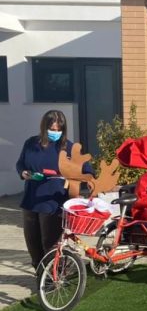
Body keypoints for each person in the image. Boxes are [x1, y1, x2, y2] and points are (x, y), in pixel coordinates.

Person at [15, 110, 93, 270]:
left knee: (49, 242)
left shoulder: (69, 148)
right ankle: (40, 272)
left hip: (53, 202)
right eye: (52, 129)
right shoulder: (31, 143)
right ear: (44, 128)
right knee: (32, 242)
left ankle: (55, 276)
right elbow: (20, 163)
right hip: (31, 199)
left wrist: (82, 180)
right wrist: (23, 173)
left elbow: (87, 170)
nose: (55, 133)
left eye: (59, 130)